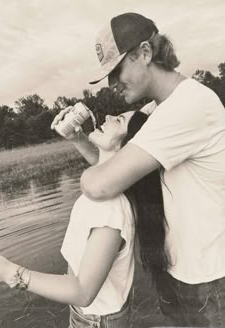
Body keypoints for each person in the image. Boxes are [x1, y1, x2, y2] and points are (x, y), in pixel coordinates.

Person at [78, 12, 225, 328]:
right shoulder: (157, 110)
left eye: (117, 71)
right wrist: (78, 139)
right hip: (181, 272)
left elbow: (101, 184)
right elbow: (117, 170)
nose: (112, 84)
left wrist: (88, 177)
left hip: (210, 278)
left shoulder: (188, 106)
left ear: (145, 53)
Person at [0, 110, 168, 328]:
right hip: (93, 315)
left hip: (96, 320)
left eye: (118, 120)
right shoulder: (105, 186)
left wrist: (9, 272)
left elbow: (83, 292)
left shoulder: (110, 208)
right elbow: (102, 164)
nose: (108, 117)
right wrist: (77, 138)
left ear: (127, 148)